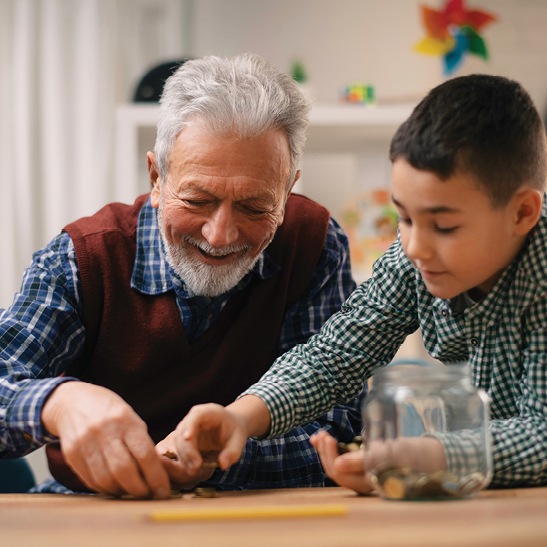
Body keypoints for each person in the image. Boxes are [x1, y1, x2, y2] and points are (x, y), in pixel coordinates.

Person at [0, 53, 364, 497]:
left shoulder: (315, 245)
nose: (220, 234)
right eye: (197, 200)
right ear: (156, 178)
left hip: (261, 512)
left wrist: (220, 458)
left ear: (288, 192)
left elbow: (337, 427)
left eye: (255, 207)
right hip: (93, 509)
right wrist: (56, 403)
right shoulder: (82, 258)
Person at [171, 74, 547, 494]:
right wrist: (241, 417)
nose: (415, 247)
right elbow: (335, 355)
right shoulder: (415, 257)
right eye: (404, 217)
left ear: (522, 214)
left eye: (443, 225)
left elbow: (542, 432)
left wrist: (426, 456)